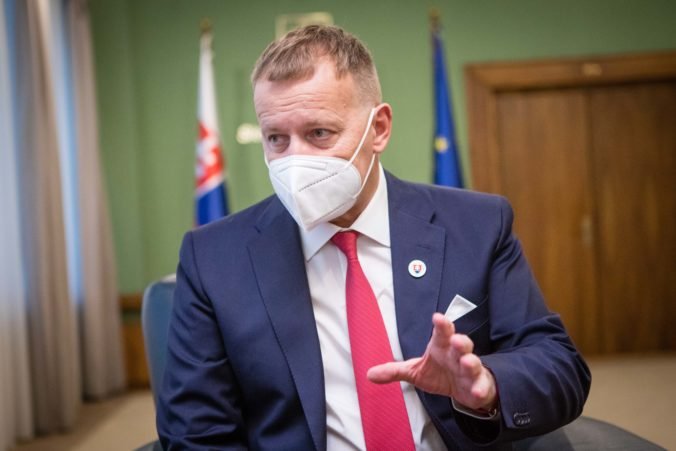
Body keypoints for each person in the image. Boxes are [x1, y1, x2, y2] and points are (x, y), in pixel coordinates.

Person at [157, 25, 590, 450]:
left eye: (319, 133)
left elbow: (558, 365)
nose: (295, 161)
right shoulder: (213, 259)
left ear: (379, 128)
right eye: (276, 139)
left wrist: (488, 387)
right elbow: (196, 433)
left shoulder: (477, 225)